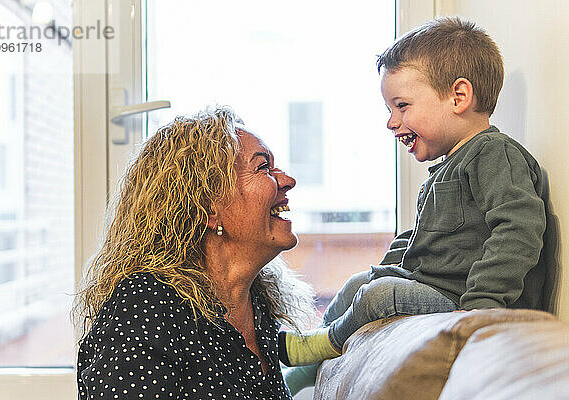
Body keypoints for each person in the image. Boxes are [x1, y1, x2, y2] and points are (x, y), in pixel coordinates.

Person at [281, 17, 547, 395]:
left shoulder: (493, 154)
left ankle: (321, 344)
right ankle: (302, 373)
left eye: (401, 106)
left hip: (462, 298)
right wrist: (386, 269)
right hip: (433, 287)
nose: (392, 122)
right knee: (362, 282)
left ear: (459, 97)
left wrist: (480, 305)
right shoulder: (448, 167)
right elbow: (418, 240)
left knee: (378, 294)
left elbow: (519, 228)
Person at [73, 107, 317, 399]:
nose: (287, 180)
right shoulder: (145, 308)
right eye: (263, 167)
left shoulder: (257, 304)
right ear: (209, 207)